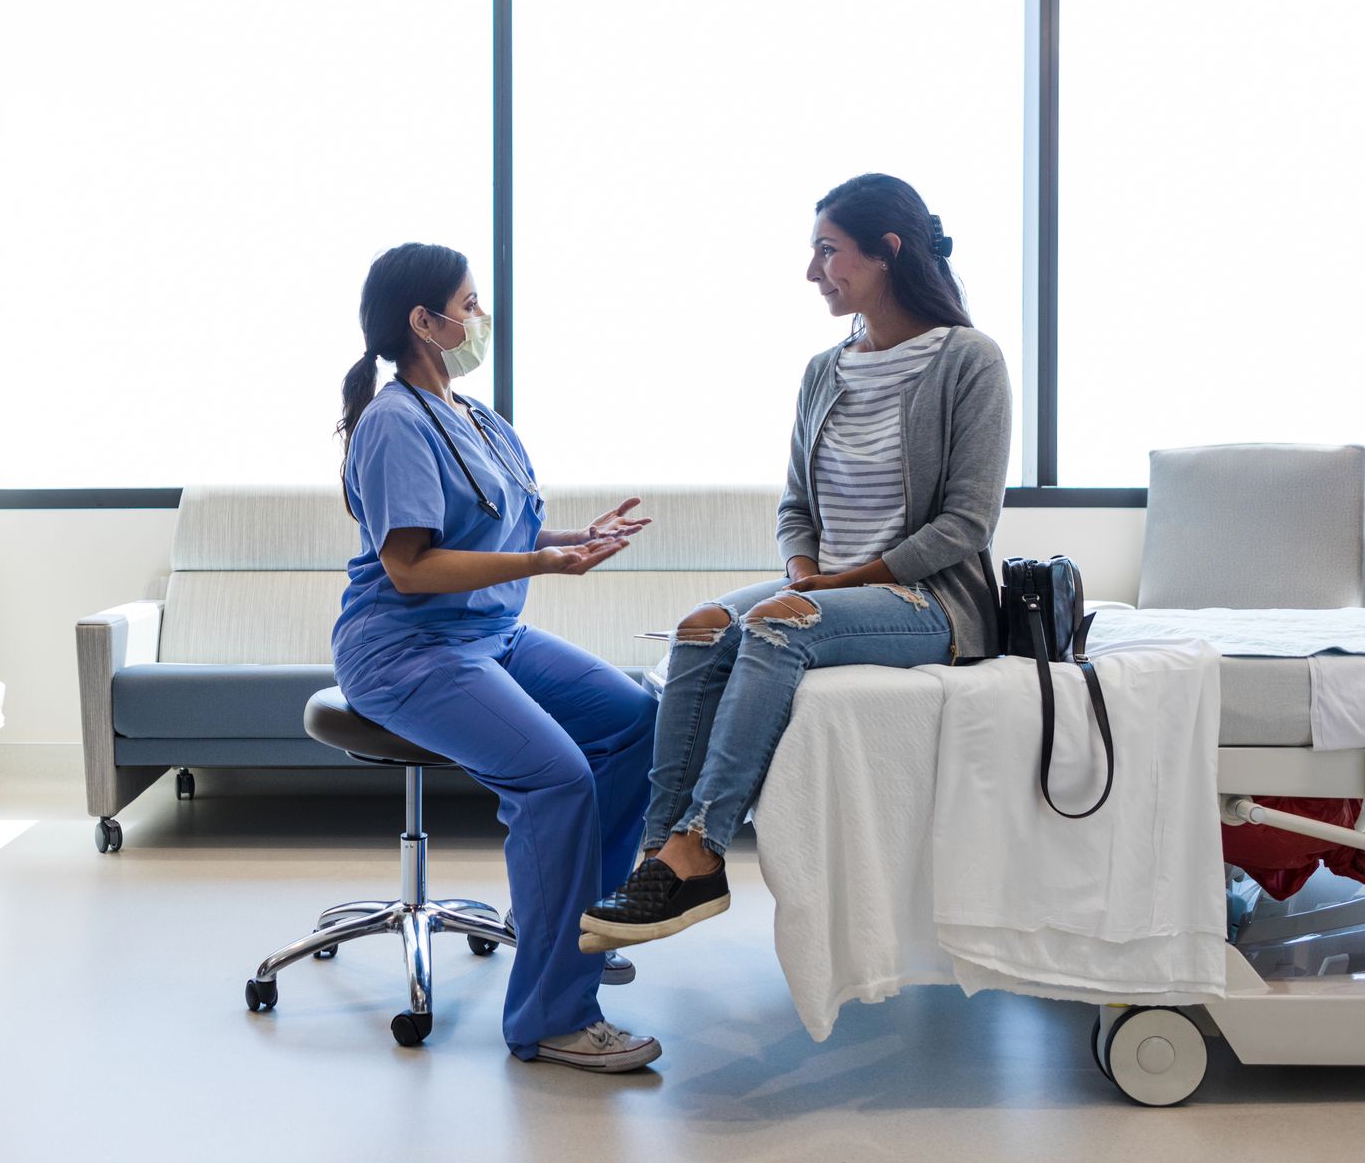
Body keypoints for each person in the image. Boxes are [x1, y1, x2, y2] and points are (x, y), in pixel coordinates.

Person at [580, 174, 1013, 950]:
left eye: (827, 252)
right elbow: (794, 505)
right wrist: (805, 564)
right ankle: (661, 856)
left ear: (888, 251)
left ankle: (703, 846)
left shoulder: (969, 362)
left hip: (928, 600)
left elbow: (966, 525)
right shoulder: (825, 370)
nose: (814, 273)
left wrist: (831, 585)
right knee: (701, 627)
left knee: (780, 625)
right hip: (828, 584)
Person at [333, 242, 662, 1073]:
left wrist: (571, 538)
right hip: (408, 650)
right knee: (559, 778)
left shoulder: (477, 416)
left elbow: (498, 529)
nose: (480, 319)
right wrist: (541, 565)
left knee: (637, 723)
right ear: (423, 321)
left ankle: (570, 925)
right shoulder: (394, 422)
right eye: (469, 304)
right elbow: (411, 568)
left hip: (490, 636)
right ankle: (552, 1016)